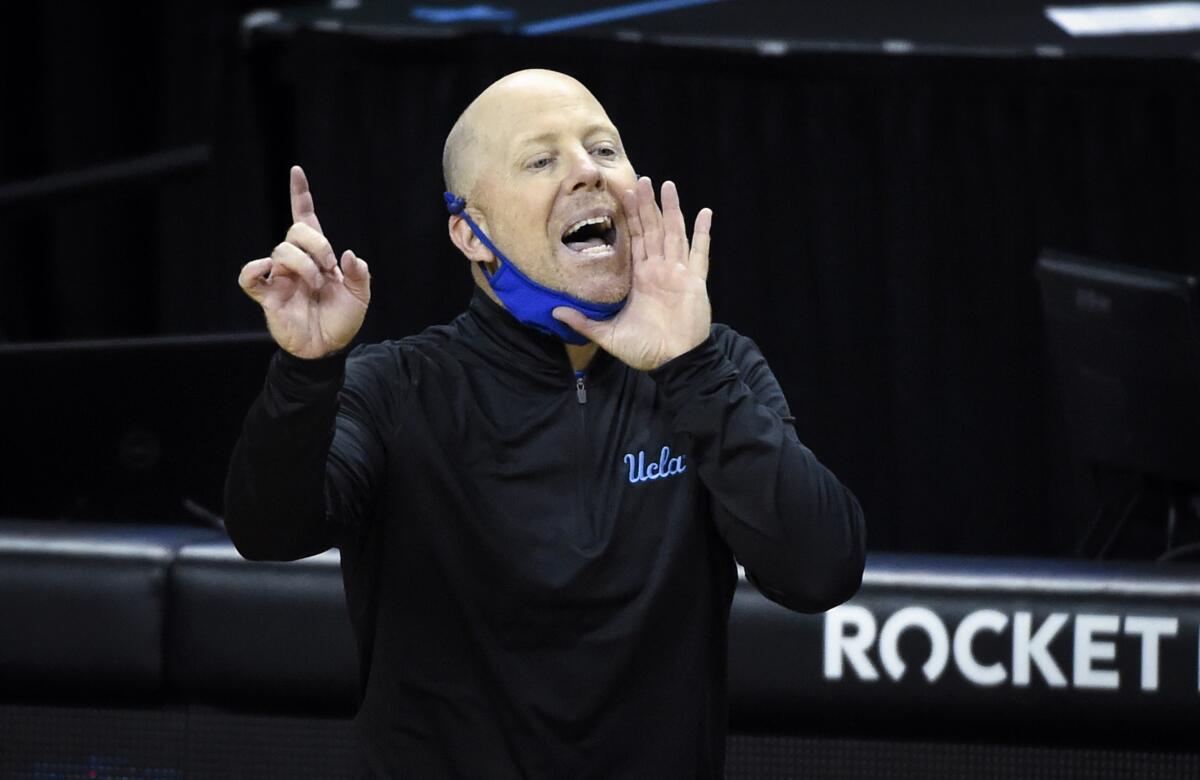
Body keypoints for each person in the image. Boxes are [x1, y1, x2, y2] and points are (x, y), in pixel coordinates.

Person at [226, 69, 865, 778]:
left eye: (605, 150)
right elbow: (270, 532)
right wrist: (306, 371)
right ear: (471, 232)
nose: (588, 172)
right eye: (541, 160)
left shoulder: (716, 371)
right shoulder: (396, 387)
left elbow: (821, 573)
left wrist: (691, 370)